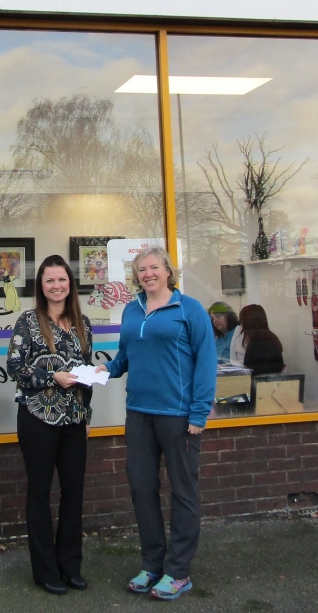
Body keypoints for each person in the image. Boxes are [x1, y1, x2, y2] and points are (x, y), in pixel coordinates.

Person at [96, 246, 216, 601]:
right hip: (139, 413)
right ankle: (152, 565)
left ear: (167, 271)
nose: (147, 273)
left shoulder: (189, 309)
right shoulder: (132, 310)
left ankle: (178, 572)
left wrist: (199, 413)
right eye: (141, 269)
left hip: (178, 416)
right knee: (142, 488)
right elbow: (126, 356)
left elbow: (206, 362)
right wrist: (107, 369)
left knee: (183, 491)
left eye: (153, 267)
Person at [6, 255, 93, 596]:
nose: (56, 286)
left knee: (74, 493)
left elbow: (85, 374)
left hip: (74, 420)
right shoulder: (28, 322)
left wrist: (88, 414)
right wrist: (50, 377)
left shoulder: (83, 322)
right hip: (37, 419)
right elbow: (14, 367)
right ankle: (45, 572)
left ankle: (70, 567)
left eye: (62, 280)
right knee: (40, 495)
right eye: (49, 281)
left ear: (69, 284)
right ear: (41, 287)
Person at [237, 304, 285, 376]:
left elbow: (250, 370)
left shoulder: (255, 343)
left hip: (260, 384)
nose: (241, 325)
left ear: (247, 322)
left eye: (241, 321)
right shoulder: (272, 338)